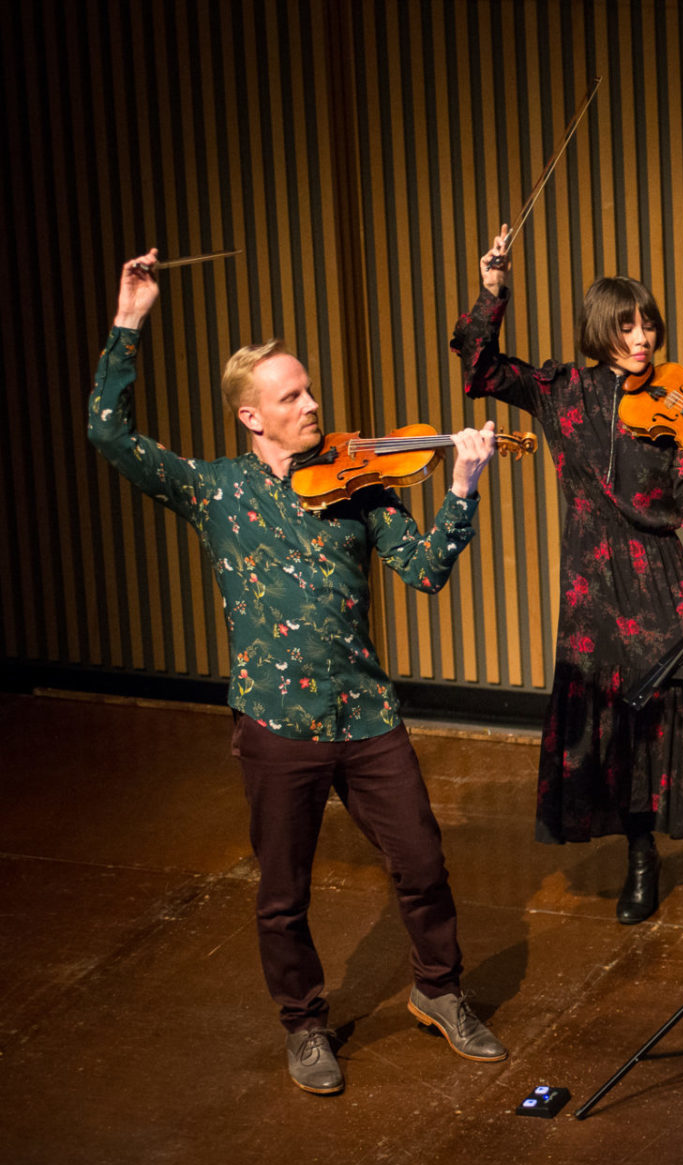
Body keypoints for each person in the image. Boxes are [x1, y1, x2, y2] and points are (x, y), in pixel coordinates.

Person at [90, 250, 508, 1096]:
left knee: (423, 863)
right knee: (283, 895)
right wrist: (129, 320)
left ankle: (439, 991)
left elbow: (425, 572)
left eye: (309, 390)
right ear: (252, 416)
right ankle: (305, 1025)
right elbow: (109, 434)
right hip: (277, 723)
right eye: (292, 396)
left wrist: (461, 486)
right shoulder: (214, 491)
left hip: (366, 716)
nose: (312, 404)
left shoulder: (362, 485)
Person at [451, 228, 683, 926]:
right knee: (618, 727)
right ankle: (639, 860)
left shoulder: (679, 409)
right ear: (602, 327)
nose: (641, 336)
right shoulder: (563, 391)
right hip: (592, 591)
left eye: (647, 323)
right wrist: (492, 290)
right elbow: (479, 368)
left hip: (660, 583)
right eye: (627, 324)